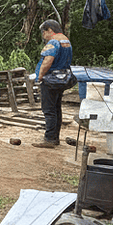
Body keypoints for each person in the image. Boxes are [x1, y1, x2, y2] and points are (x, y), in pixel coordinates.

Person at [29, 20, 74, 148]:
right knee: (56, 108)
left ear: (50, 30)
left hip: (51, 80)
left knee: (48, 110)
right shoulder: (66, 41)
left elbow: (48, 60)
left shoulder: (53, 42)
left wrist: (40, 76)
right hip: (61, 78)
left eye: (44, 32)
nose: (44, 36)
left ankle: (49, 139)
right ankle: (55, 137)